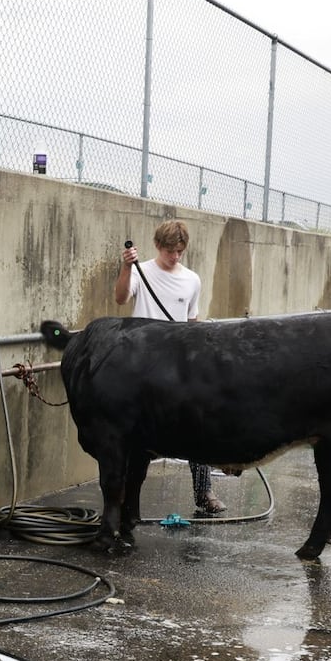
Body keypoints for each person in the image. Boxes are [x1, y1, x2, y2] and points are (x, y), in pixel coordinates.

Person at [113, 220, 225, 517]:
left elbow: (192, 322)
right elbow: (121, 298)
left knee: (195, 426)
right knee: (135, 432)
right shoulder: (141, 270)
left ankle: (204, 492)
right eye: (169, 251)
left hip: (177, 366)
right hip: (141, 365)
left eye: (179, 251)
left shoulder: (192, 280)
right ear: (157, 246)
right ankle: (124, 495)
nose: (175, 256)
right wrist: (126, 268)